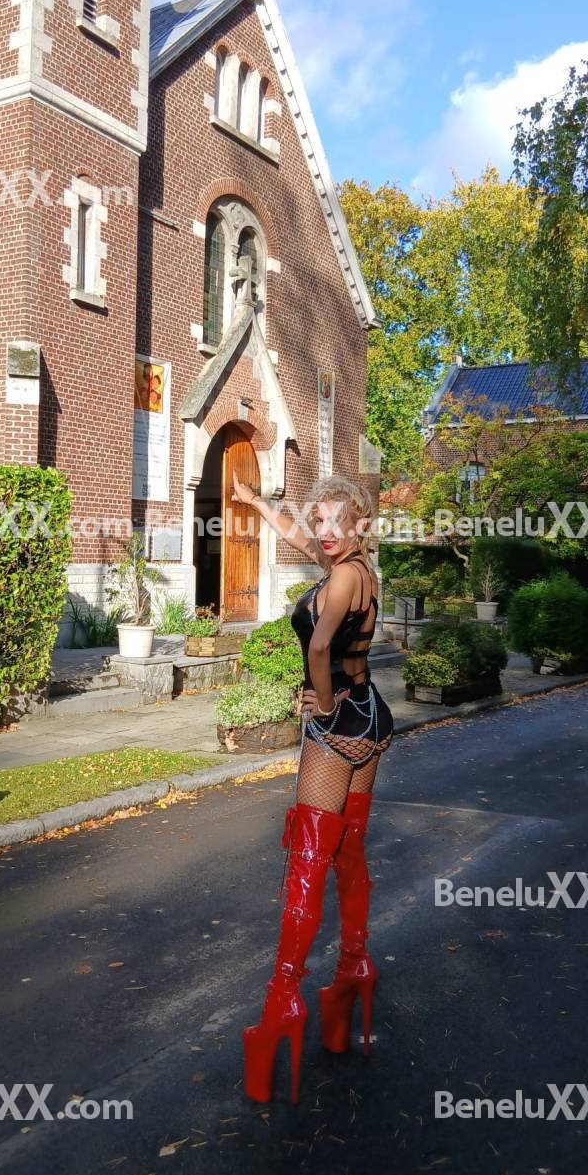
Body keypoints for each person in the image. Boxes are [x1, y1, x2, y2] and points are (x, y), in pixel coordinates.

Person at [229, 471, 394, 1104]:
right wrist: (256, 503)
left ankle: (282, 1005)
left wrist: (321, 708)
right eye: (319, 519)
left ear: (360, 524)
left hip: (339, 722)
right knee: (348, 851)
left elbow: (320, 648)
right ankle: (353, 968)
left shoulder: (343, 576)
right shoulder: (358, 569)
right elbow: (297, 536)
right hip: (371, 714)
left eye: (335, 521)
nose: (323, 531)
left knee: (308, 859)